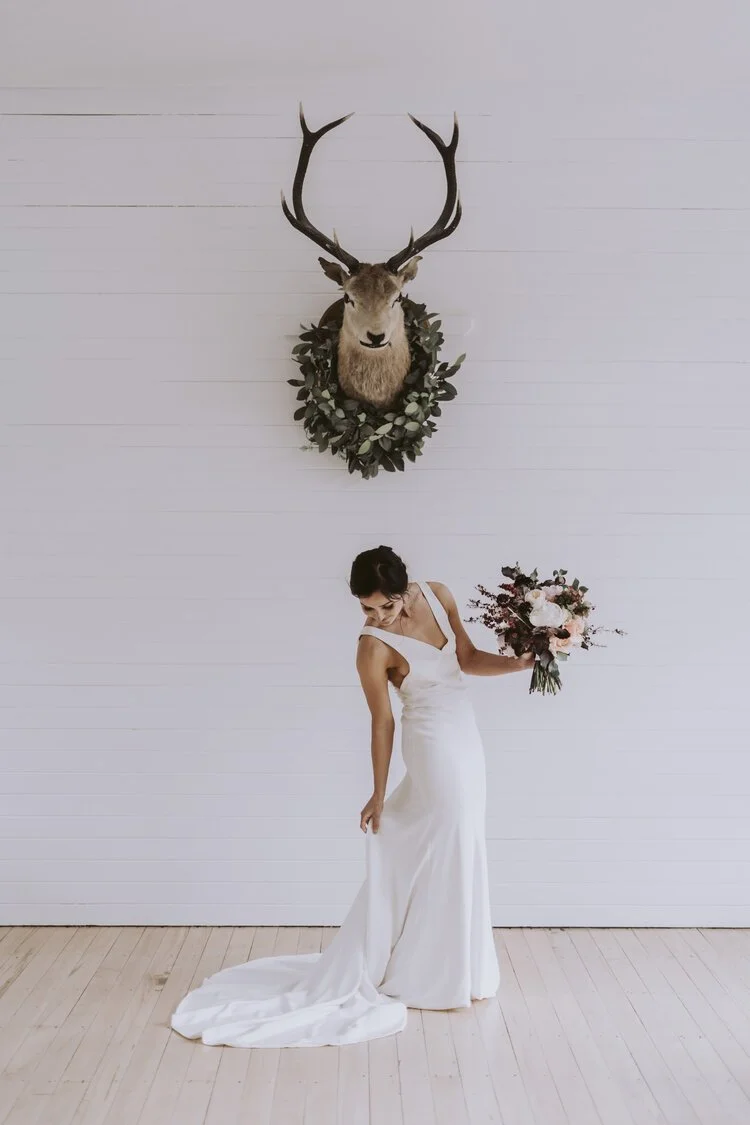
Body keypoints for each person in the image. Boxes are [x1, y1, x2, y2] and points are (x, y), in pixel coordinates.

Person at [169, 546, 534, 1048]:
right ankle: (434, 973)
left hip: (465, 735)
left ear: (406, 589)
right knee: (450, 836)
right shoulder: (371, 647)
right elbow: (382, 721)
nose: (377, 616)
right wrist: (379, 792)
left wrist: (524, 663)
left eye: (385, 605)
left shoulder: (439, 594)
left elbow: (467, 659)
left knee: (464, 837)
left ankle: (459, 966)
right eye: (367, 608)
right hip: (429, 741)